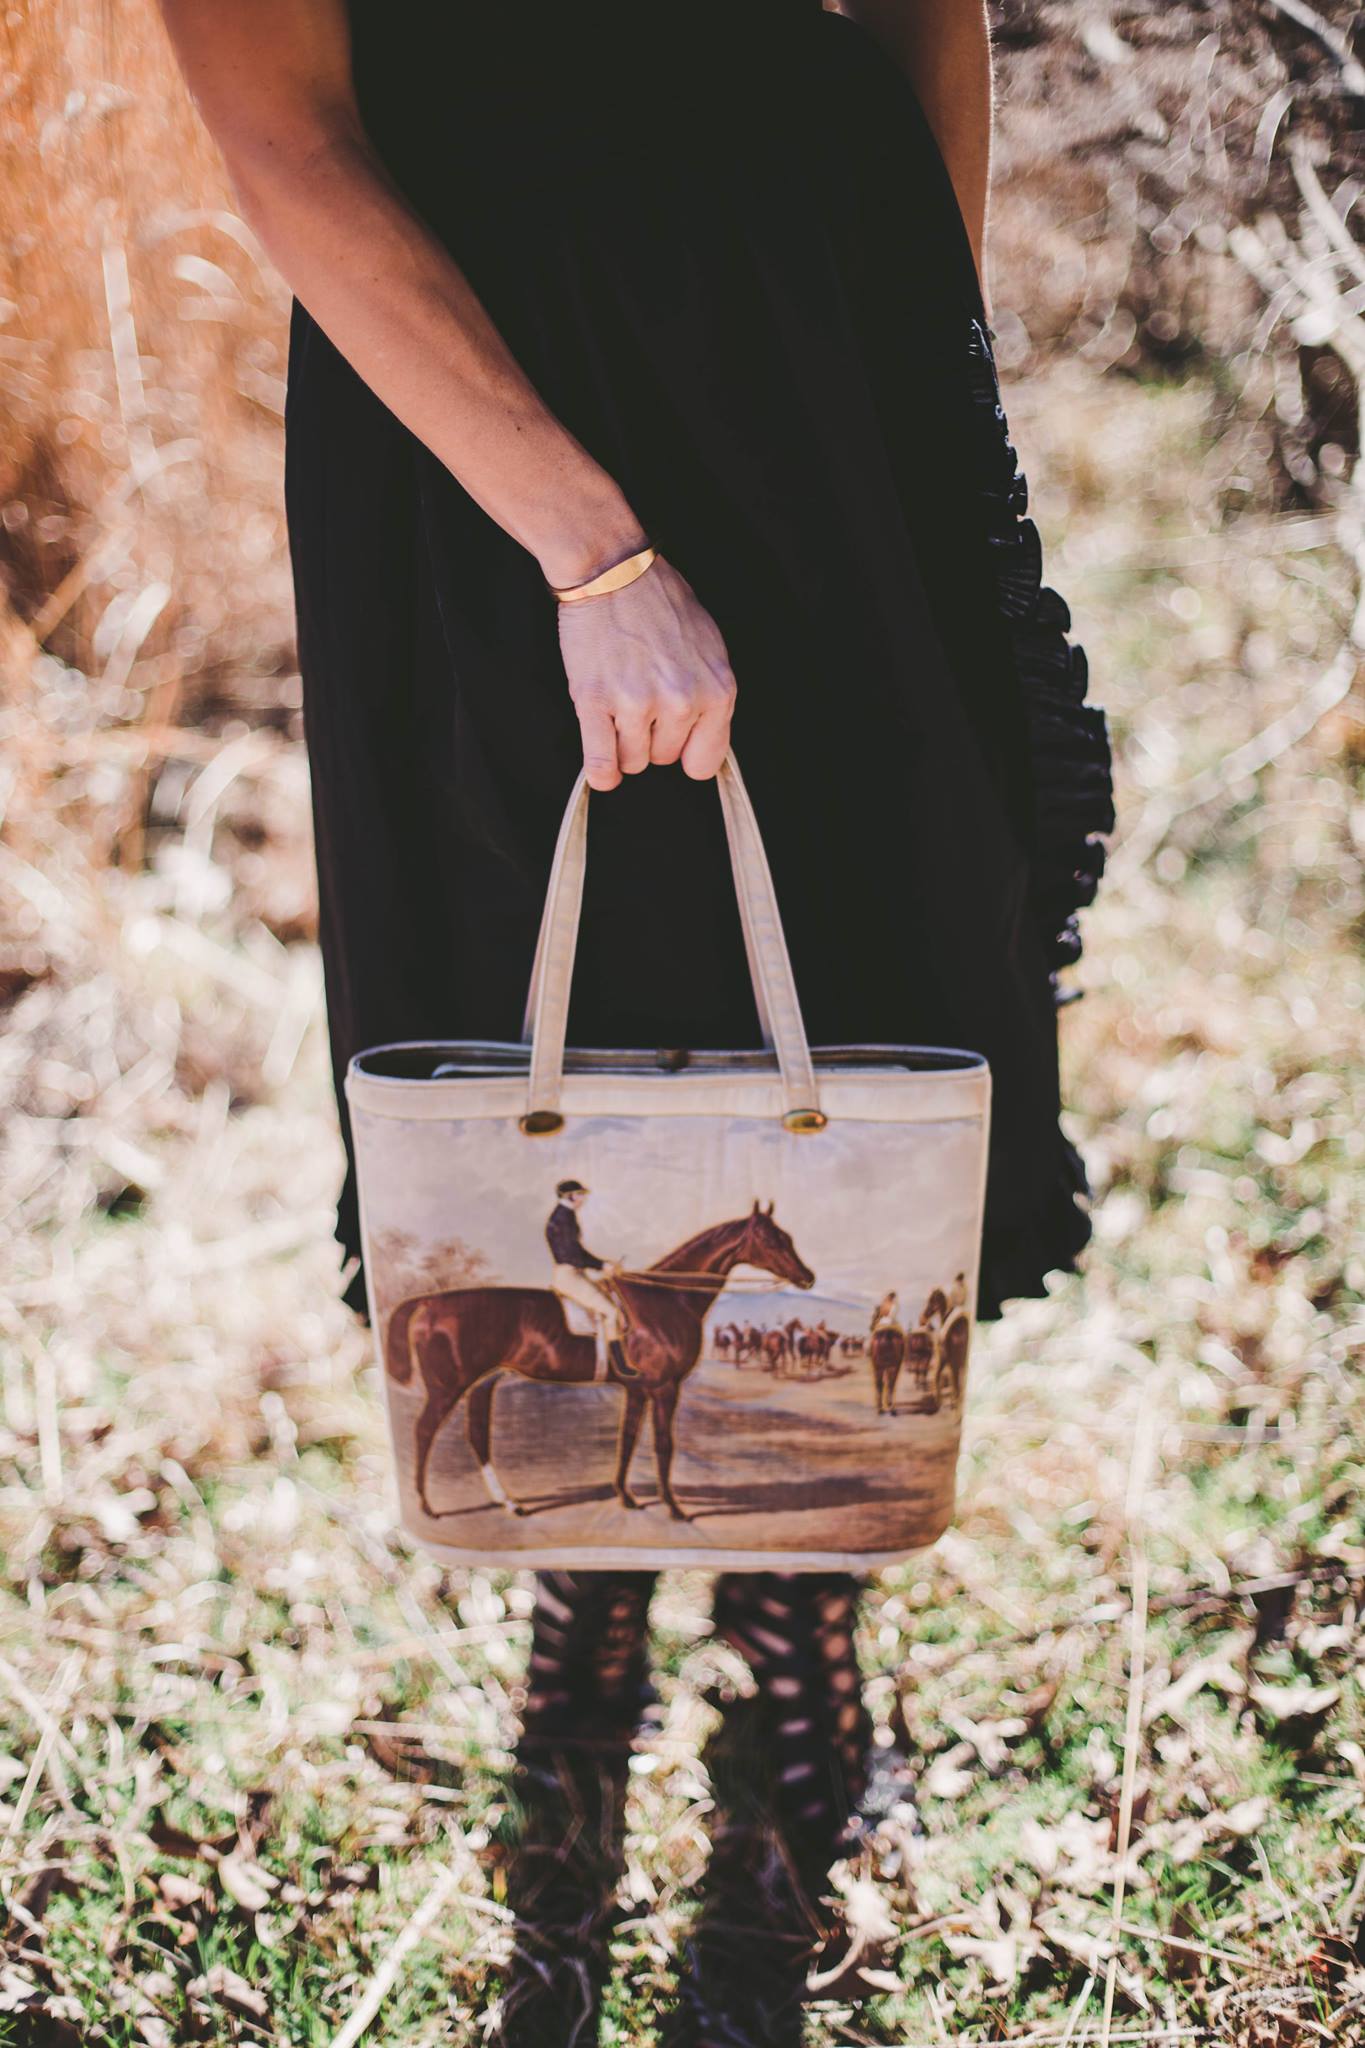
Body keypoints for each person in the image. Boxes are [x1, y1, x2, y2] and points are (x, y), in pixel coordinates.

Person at [157, 2, 1112, 2041]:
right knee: (544, 992)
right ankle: (584, 1574)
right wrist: (592, 555)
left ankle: (800, 1571)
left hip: (833, 359)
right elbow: (280, 127)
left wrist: (916, 356)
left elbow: (923, 15)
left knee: (865, 952)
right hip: (491, 390)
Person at [544, 1177, 638, 1381]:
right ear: (570, 1196)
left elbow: (577, 1252)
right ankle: (620, 1365)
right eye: (580, 1195)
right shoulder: (562, 1218)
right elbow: (572, 1254)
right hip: (569, 1276)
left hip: (576, 1273)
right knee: (611, 1312)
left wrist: (602, 1265)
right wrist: (603, 1265)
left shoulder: (566, 1215)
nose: (583, 1198)